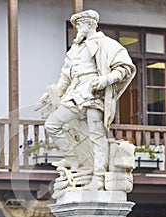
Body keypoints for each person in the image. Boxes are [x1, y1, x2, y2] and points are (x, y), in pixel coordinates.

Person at [40, 9, 136, 190]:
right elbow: (65, 77)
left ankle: (98, 177)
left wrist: (104, 80)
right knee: (52, 124)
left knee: (96, 135)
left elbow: (124, 68)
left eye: (81, 24)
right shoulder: (74, 49)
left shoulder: (106, 44)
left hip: (93, 93)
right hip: (74, 94)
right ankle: (75, 160)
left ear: (91, 24)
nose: (78, 29)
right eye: (76, 26)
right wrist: (54, 93)